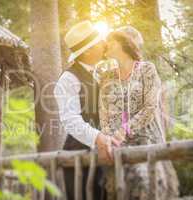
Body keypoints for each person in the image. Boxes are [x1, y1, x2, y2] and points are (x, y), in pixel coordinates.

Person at [98, 29, 179, 200]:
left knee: (147, 185)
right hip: (118, 143)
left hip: (146, 138)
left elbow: (149, 107)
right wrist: (108, 137)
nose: (107, 45)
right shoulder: (107, 76)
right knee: (121, 189)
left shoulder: (147, 69)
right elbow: (104, 113)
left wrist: (124, 130)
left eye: (111, 41)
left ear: (124, 43)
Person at [53, 20, 119, 200]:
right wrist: (97, 137)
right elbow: (70, 120)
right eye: (99, 42)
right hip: (79, 159)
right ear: (88, 50)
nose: (104, 45)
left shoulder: (97, 75)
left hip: (102, 155)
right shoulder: (68, 79)